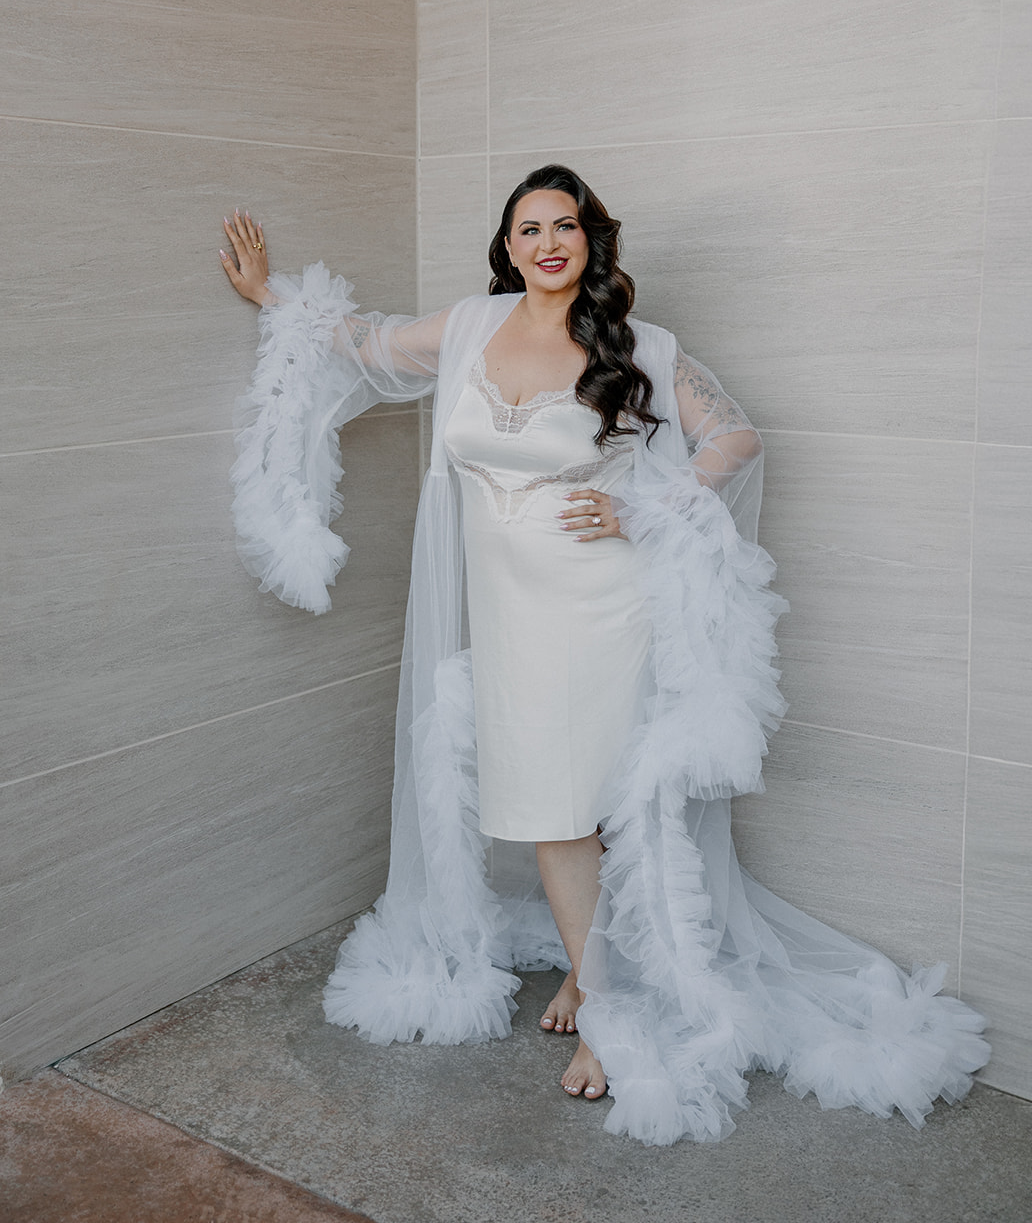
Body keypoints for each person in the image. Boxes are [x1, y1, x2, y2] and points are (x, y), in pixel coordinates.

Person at [220, 164, 989, 1145]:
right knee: (543, 806)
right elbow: (362, 346)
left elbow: (734, 437)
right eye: (528, 226)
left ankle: (610, 1007)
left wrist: (643, 503)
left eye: (565, 225)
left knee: (608, 804)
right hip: (509, 616)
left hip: (605, 610)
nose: (547, 240)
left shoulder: (638, 346)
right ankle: (590, 973)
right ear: (505, 246)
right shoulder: (468, 328)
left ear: (590, 241)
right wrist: (270, 297)